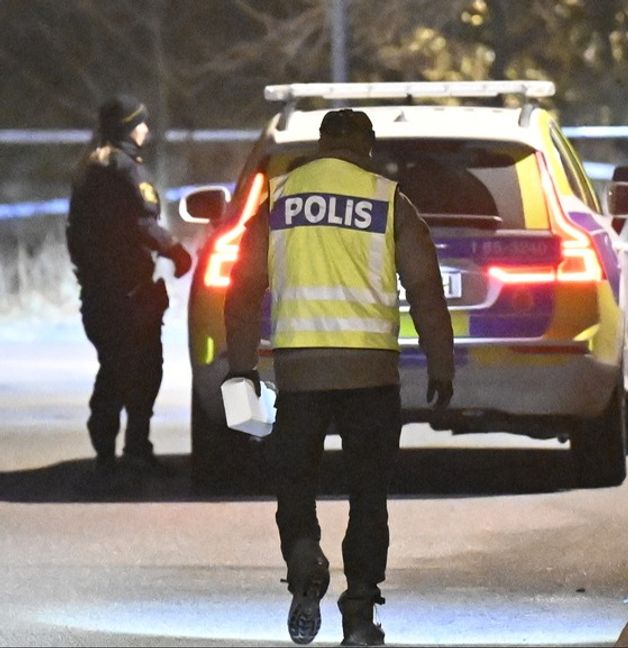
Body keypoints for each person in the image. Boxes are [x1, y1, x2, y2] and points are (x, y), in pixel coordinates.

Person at [224, 109, 455, 646]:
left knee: (295, 482)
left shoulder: (279, 199)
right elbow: (425, 287)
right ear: (367, 147)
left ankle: (305, 560)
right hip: (370, 375)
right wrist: (440, 363)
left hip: (300, 376)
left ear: (323, 144)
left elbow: (240, 290)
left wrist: (241, 370)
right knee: (368, 493)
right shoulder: (388, 199)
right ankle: (359, 610)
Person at [66, 94, 193, 479]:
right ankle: (134, 448)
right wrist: (176, 251)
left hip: (99, 291)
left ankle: (107, 449)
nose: (147, 130)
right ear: (128, 127)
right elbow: (142, 222)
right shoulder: (123, 169)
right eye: (141, 123)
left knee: (115, 367)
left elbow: (78, 233)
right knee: (142, 369)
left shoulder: (89, 168)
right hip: (130, 292)